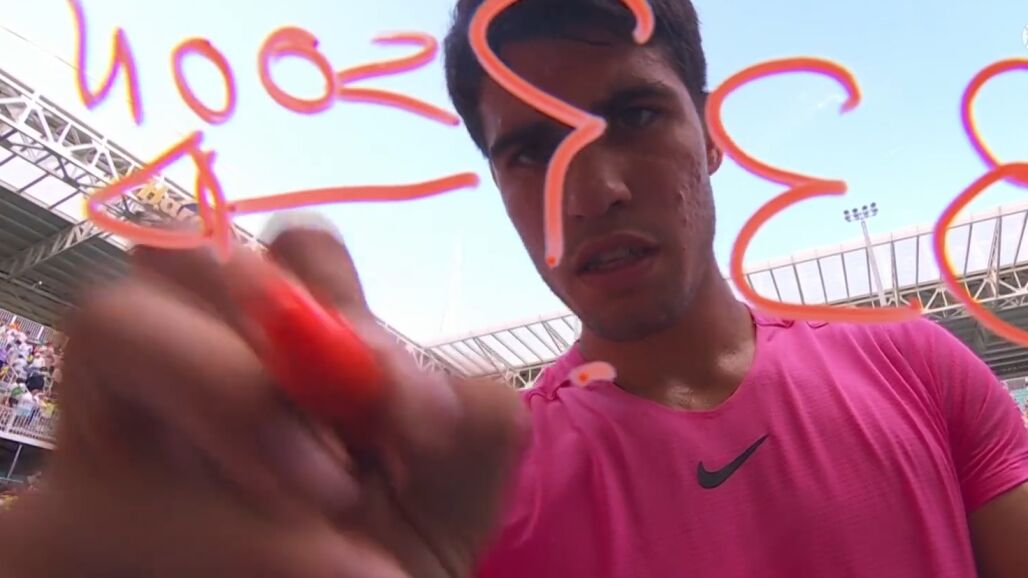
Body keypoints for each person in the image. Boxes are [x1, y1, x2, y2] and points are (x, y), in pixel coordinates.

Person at [0, 1, 1026, 577]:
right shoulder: (464, 496)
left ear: (711, 134)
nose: (593, 190)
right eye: (531, 150)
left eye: (633, 116)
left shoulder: (920, 366)